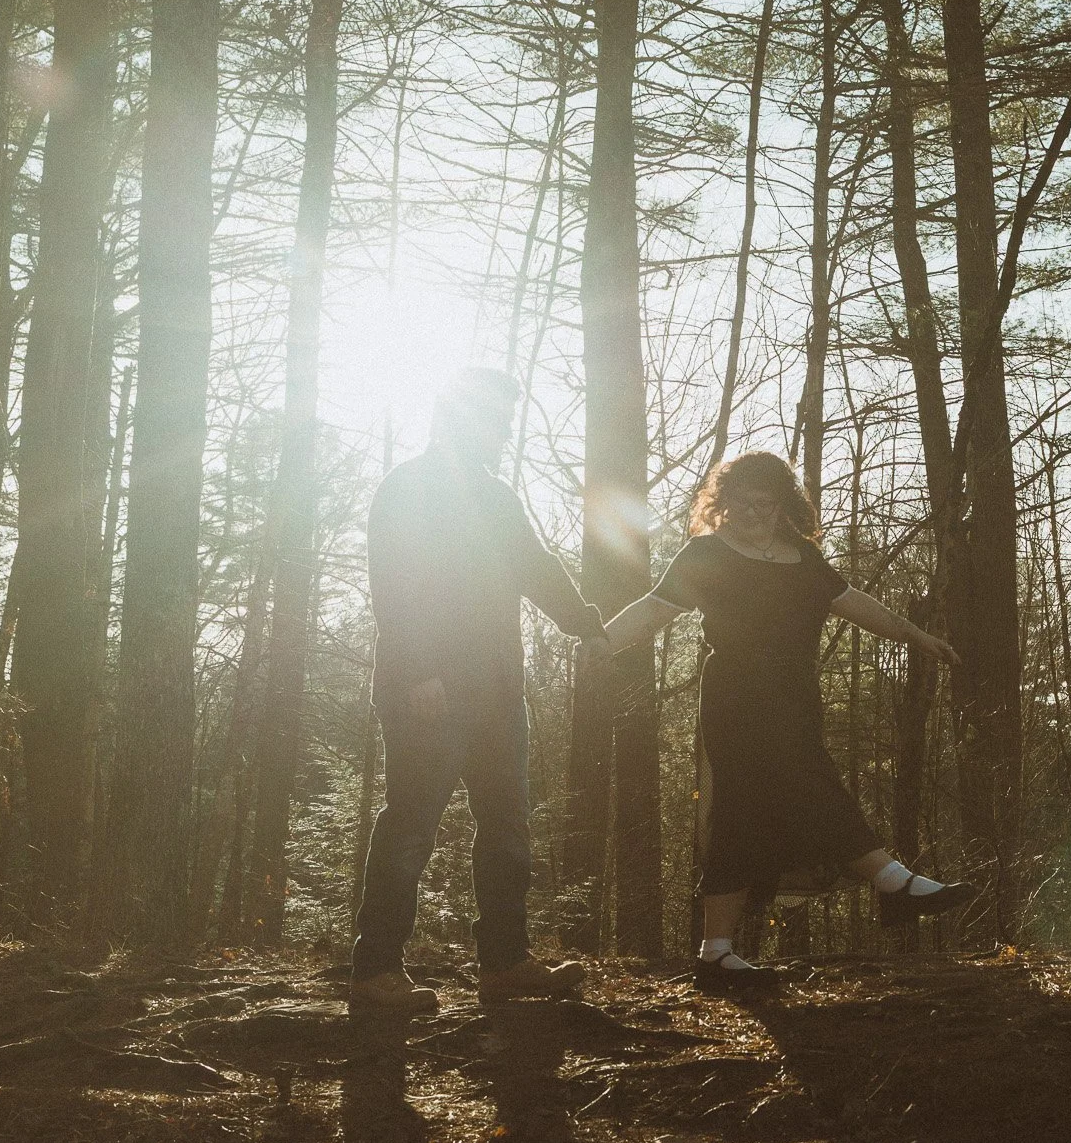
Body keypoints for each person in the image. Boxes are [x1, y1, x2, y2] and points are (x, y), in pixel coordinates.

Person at [598, 452, 974, 992]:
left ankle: (715, 953)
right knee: (807, 780)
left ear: (781, 504)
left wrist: (914, 636)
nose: (753, 512)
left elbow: (852, 602)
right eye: (741, 502)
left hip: (795, 696)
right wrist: (601, 642)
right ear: (723, 502)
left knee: (739, 813)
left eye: (764, 502)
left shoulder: (802, 557)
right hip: (736, 698)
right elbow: (655, 608)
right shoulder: (705, 554)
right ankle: (893, 882)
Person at [352, 366, 611, 1012]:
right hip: (428, 692)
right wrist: (418, 672)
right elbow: (394, 584)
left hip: (497, 691)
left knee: (507, 829)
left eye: (503, 419)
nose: (497, 430)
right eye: (487, 417)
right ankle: (375, 971)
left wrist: (585, 623)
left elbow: (534, 566)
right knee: (411, 826)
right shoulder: (406, 488)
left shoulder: (496, 496)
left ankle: (504, 963)